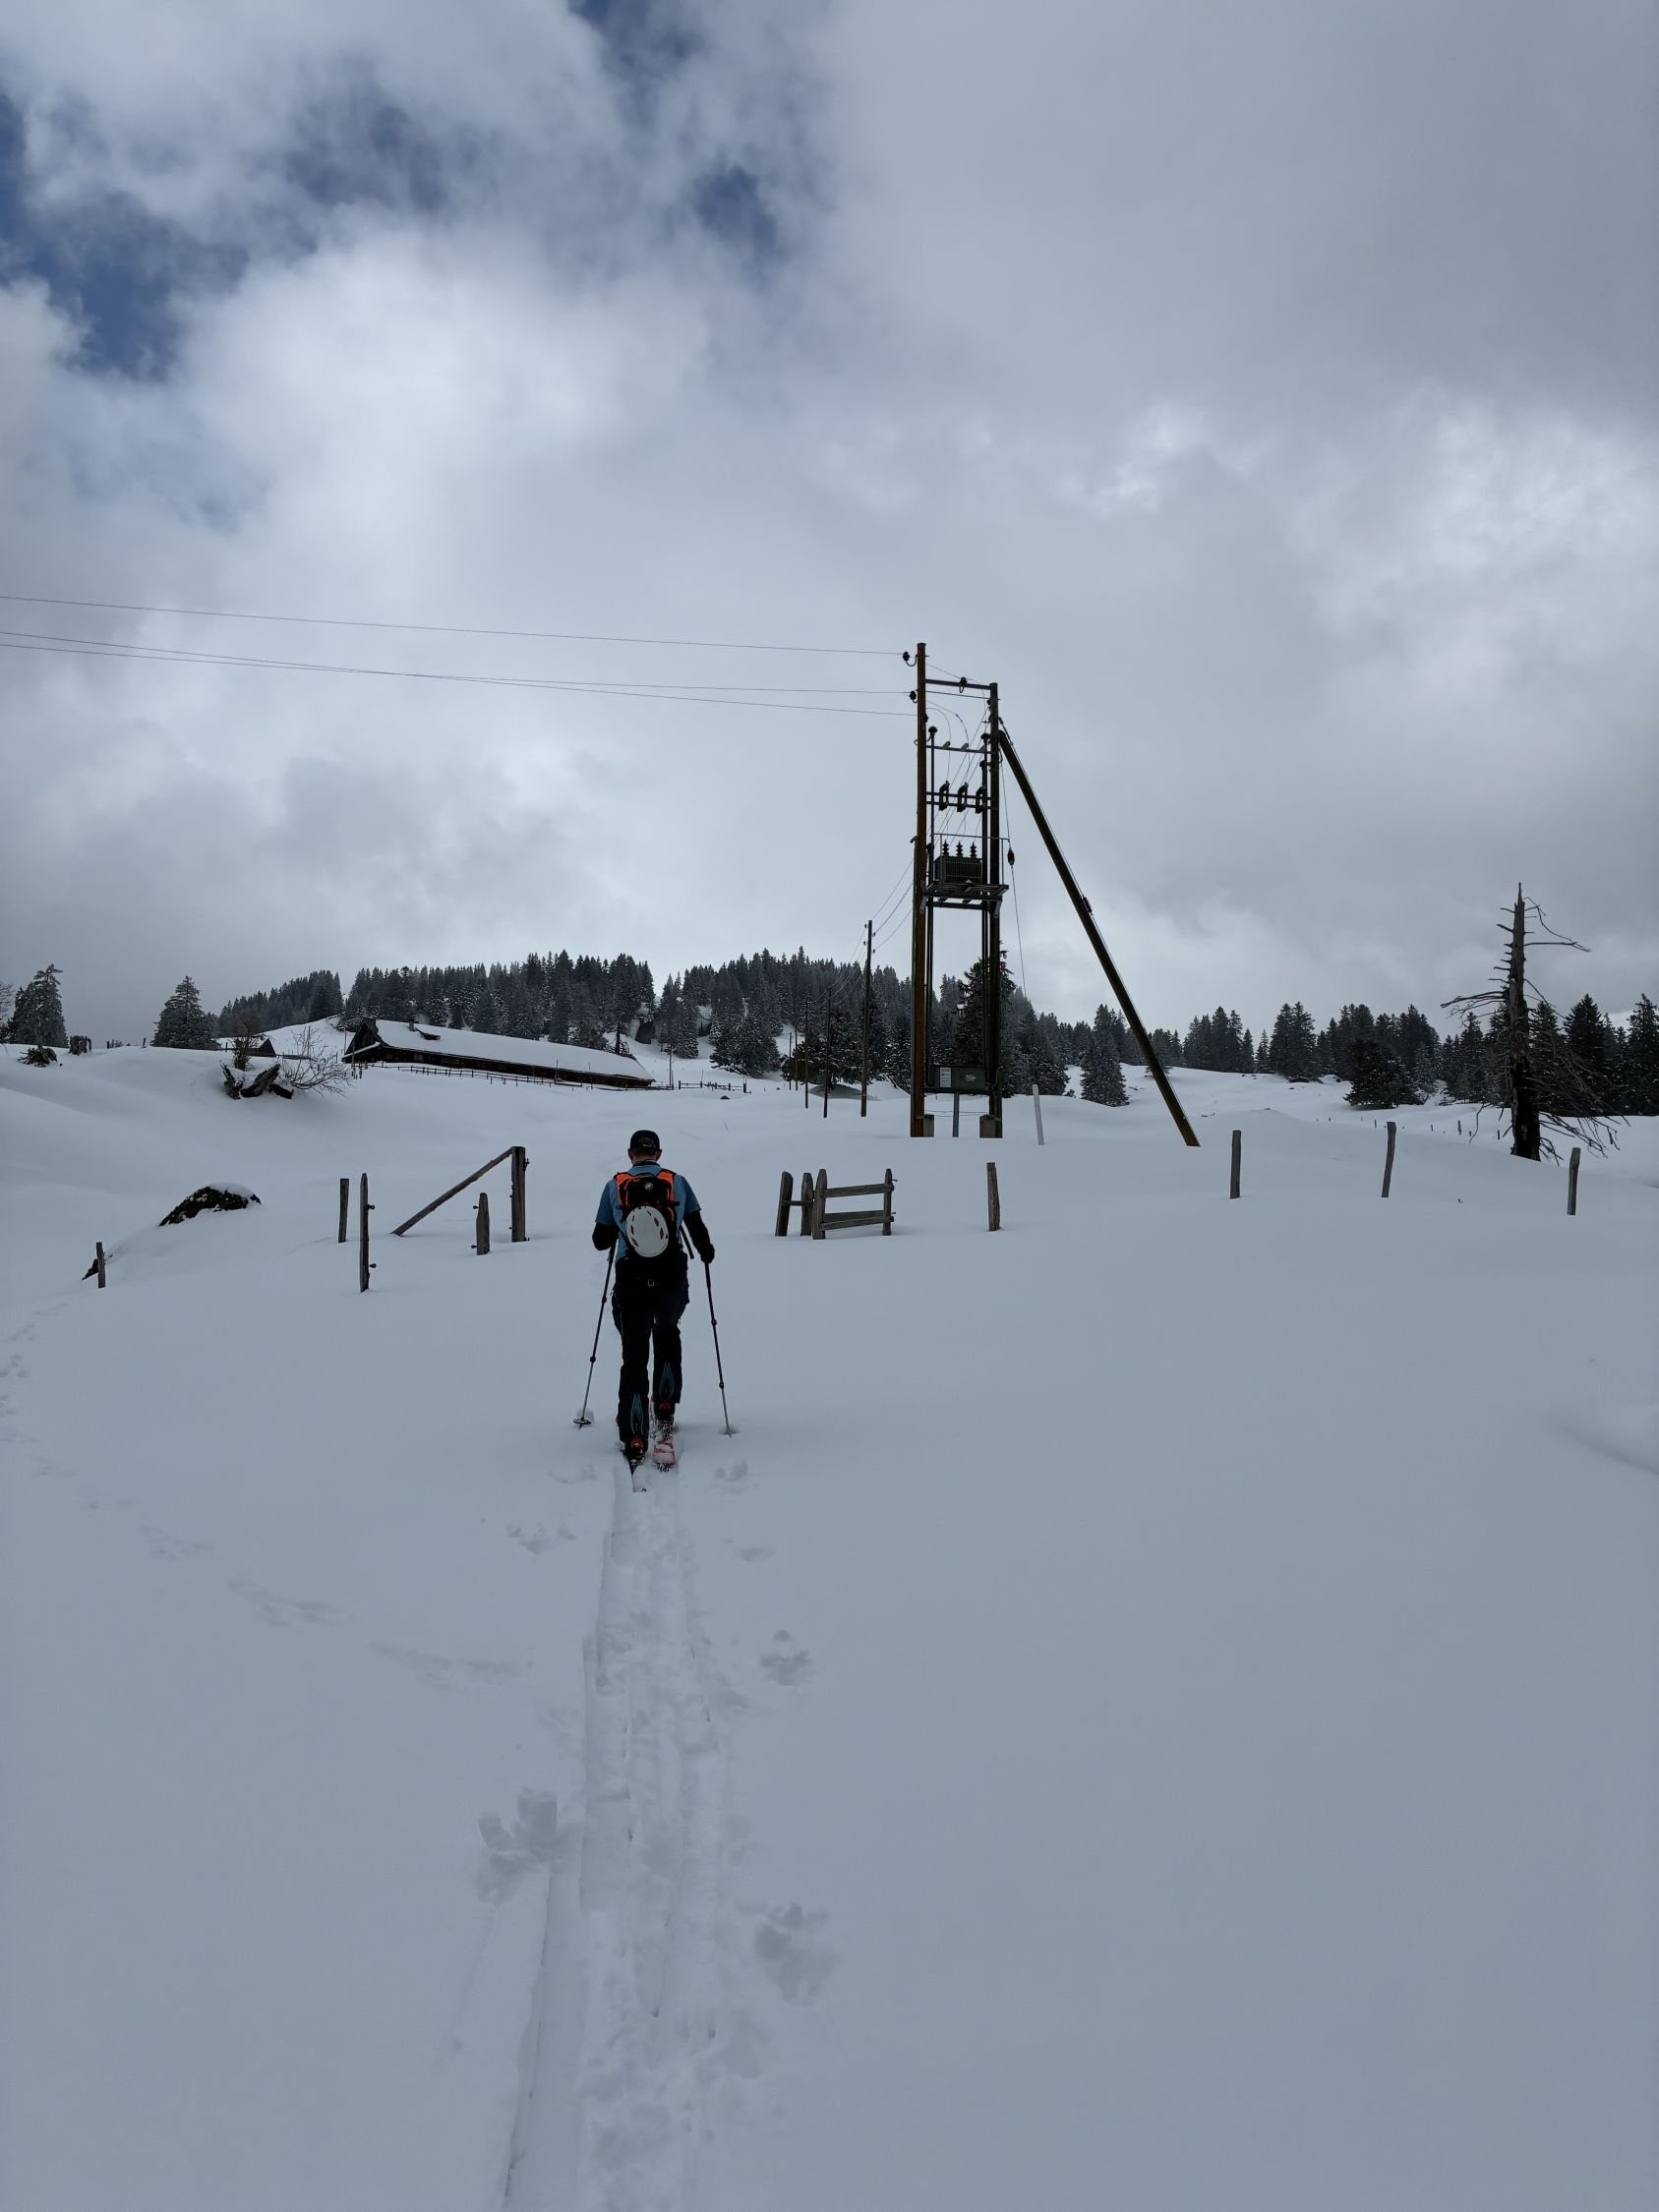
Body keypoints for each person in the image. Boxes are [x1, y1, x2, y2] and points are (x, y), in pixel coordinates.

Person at [592, 1129, 714, 1467]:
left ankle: (634, 1433)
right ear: (658, 1154)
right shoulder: (677, 1182)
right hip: (671, 1275)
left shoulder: (615, 1185)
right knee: (667, 1332)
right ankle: (664, 1405)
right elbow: (699, 1232)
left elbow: (600, 1240)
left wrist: (621, 1228)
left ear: (630, 1153)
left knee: (634, 1354)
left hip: (630, 1276)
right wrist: (706, 1253)